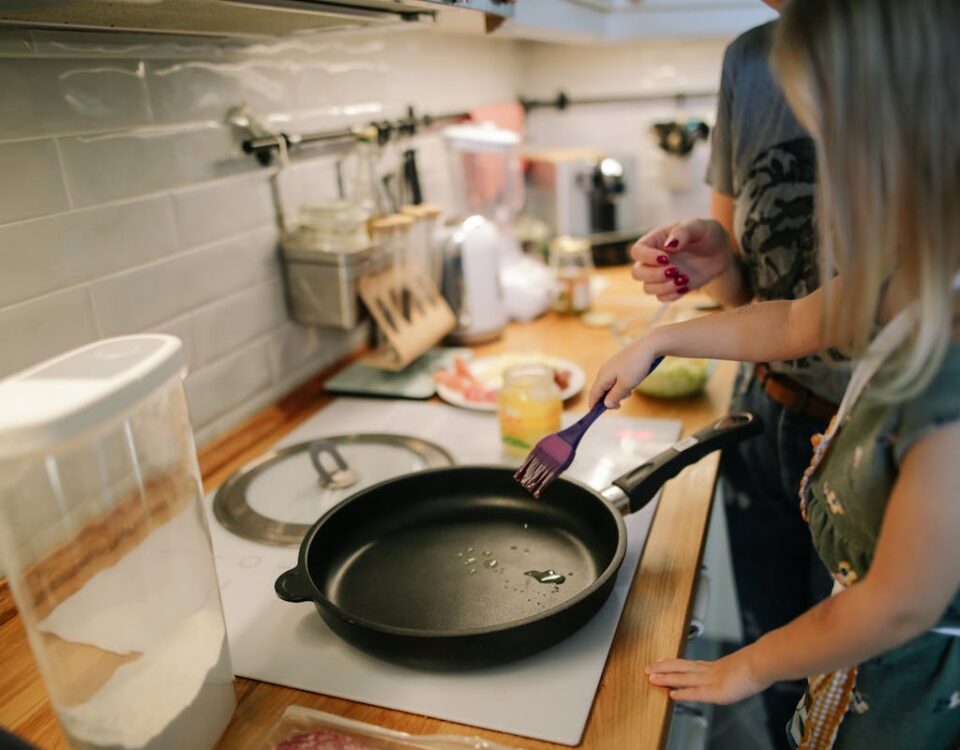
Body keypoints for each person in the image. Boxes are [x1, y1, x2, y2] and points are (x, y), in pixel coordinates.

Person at [591, 0, 960, 747]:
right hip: (850, 679)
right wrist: (662, 340)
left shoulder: (948, 375)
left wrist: (752, 666)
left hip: (906, 704)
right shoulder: (911, 274)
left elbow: (898, 606)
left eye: (836, 142)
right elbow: (793, 320)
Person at [630, 2, 838, 739]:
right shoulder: (752, 60)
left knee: (853, 691)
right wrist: (712, 259)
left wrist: (667, 343)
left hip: (879, 442)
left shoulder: (922, 51)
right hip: (767, 415)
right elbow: (766, 299)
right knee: (778, 675)